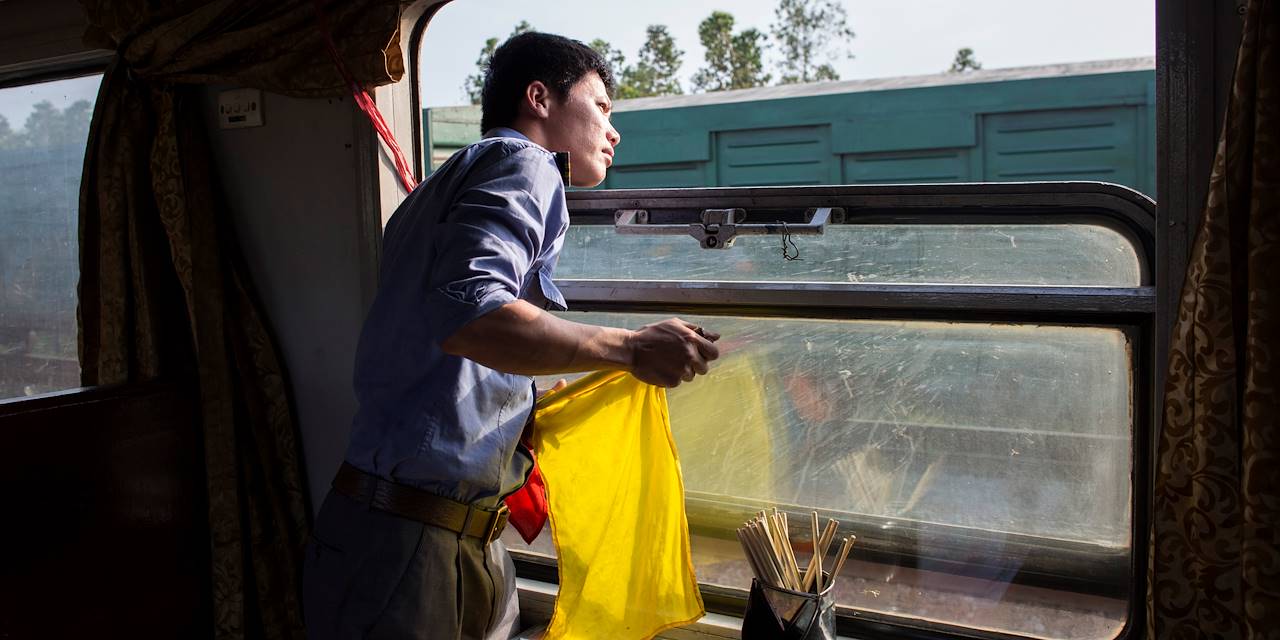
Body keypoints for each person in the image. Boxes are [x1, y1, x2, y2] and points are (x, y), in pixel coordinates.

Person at [303, 32, 721, 640]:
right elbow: (472, 316)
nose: (614, 130)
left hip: (422, 525)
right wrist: (629, 350)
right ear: (540, 99)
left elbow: (456, 349)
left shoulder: (444, 185)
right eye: (601, 106)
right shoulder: (522, 163)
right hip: (411, 542)